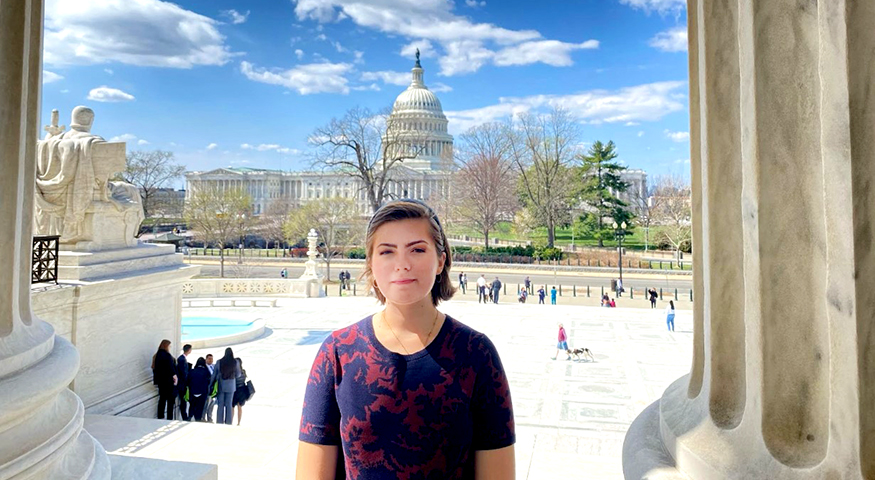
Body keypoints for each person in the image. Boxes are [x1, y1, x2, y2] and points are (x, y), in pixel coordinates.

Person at [296, 199, 515, 478]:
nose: (402, 264)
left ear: (441, 261)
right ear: (372, 266)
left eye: (417, 250)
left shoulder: (476, 354)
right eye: (387, 252)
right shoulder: (338, 352)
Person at [210, 347, 240, 425]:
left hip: (221, 385)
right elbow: (238, 374)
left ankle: (219, 422)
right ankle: (228, 423)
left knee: (220, 405)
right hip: (231, 386)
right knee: (229, 405)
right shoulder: (235, 362)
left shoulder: (219, 362)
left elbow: (214, 374)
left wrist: (210, 384)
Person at [151, 339, 177, 420]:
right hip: (168, 381)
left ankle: (160, 416)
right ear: (166, 346)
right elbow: (170, 368)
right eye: (169, 345)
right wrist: (175, 377)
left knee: (162, 399)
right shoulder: (167, 355)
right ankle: (169, 417)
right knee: (170, 400)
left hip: (160, 382)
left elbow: (154, 368)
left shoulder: (157, 355)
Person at [188, 357, 212, 421]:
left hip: (192, 391)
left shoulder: (192, 371)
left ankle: (190, 416)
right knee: (200, 406)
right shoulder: (206, 372)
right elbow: (209, 381)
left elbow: (188, 381)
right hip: (202, 392)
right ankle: (198, 418)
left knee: (192, 405)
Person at [176, 344, 193, 421]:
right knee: (183, 401)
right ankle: (185, 417)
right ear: (189, 350)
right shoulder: (182, 359)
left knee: (184, 401)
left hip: (182, 384)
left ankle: (185, 416)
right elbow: (183, 373)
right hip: (182, 384)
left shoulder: (182, 358)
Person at [232, 358, 249, 426]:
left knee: (232, 406)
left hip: (235, 390)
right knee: (240, 406)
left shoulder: (234, 372)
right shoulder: (243, 371)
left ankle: (231, 421)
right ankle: (238, 422)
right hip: (242, 390)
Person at [204, 354, 216, 422]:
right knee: (206, 404)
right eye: (209, 359)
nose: (211, 360)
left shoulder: (214, 366)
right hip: (207, 388)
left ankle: (209, 417)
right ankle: (203, 417)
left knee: (212, 404)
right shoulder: (205, 367)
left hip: (214, 389)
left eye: (211, 359)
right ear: (206, 359)